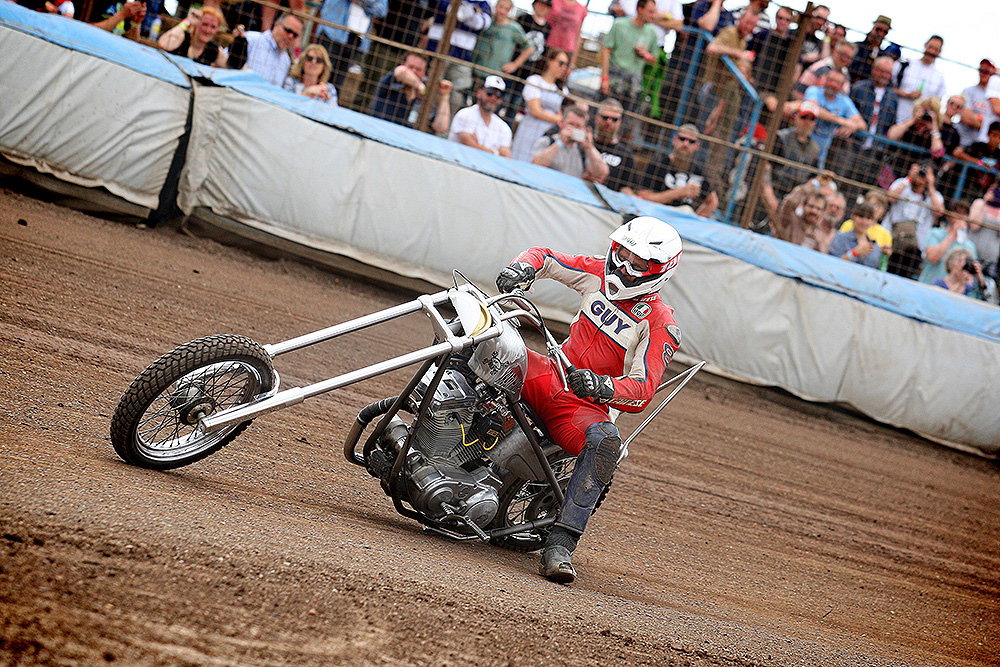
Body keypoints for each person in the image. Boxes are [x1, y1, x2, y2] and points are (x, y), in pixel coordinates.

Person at [494, 216, 683, 584]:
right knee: (489, 342)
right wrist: (521, 268)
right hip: (550, 373)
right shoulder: (596, 271)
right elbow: (545, 256)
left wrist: (601, 386)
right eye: (623, 254)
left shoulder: (660, 322)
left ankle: (560, 546)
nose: (625, 267)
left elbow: (644, 389)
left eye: (639, 263)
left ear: (659, 270)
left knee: (606, 443)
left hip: (584, 406)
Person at [599, 0, 658, 137]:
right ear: (639, 9)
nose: (654, 16)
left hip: (633, 87)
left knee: (625, 124)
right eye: (650, 12)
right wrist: (604, 78)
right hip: (614, 80)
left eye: (654, 12)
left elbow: (654, 59)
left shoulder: (651, 33)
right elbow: (606, 50)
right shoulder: (620, 25)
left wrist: (645, 54)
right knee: (604, 116)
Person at [635, 124, 718, 218]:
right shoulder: (658, 164)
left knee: (688, 210)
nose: (686, 144)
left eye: (691, 141)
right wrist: (678, 193)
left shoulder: (698, 172)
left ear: (697, 145)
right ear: (674, 140)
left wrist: (696, 220)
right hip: (657, 215)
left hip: (683, 220)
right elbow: (643, 197)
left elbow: (712, 201)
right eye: (682, 139)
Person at [426, 0, 493, 111]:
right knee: (432, 87)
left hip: (462, 56)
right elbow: (454, 13)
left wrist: (462, 11)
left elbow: (482, 24)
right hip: (437, 50)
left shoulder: (484, 3)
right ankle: (424, 120)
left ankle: (445, 125)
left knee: (457, 93)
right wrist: (473, 11)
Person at [792, 69, 865, 169]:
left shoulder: (844, 101)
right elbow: (813, 108)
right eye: (831, 80)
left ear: (842, 85)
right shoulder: (814, 91)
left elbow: (862, 124)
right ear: (825, 79)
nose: (833, 85)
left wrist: (852, 126)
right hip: (800, 146)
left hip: (821, 155)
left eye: (838, 83)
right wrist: (842, 121)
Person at [369, 51, 452, 134]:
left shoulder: (428, 95)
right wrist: (421, 87)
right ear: (403, 65)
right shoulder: (392, 81)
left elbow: (441, 127)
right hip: (379, 131)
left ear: (424, 73)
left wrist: (445, 96)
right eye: (411, 67)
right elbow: (401, 72)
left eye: (418, 69)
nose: (414, 71)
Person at [314, 0, 388, 91]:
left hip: (356, 38)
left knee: (337, 84)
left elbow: (382, 10)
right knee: (320, 76)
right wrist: (370, 3)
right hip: (333, 31)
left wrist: (362, 3)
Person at [511, 49, 569, 162]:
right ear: (550, 61)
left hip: (548, 133)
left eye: (566, 65)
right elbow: (535, 111)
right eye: (561, 63)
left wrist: (554, 118)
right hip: (529, 129)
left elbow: (564, 115)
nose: (563, 68)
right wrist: (557, 118)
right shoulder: (534, 80)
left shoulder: (563, 89)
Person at [470, 0, 532, 97]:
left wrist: (515, 64)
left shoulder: (513, 28)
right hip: (476, 70)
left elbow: (529, 47)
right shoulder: (487, 22)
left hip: (496, 74)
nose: (502, 11)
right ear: (496, 6)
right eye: (500, 7)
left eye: (506, 9)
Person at [530, 107, 609, 181]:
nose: (574, 129)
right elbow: (536, 164)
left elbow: (601, 173)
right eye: (571, 124)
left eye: (578, 126)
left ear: (584, 128)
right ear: (561, 123)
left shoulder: (583, 149)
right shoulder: (547, 141)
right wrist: (560, 142)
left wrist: (590, 148)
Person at [767, 103, 820, 202]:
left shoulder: (815, 148)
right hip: (776, 189)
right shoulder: (781, 137)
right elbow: (766, 166)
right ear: (796, 117)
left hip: (796, 197)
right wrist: (769, 196)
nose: (807, 122)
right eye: (803, 117)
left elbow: (812, 177)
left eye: (811, 119)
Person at [448, 76, 512, 156]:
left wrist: (479, 147)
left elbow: (506, 155)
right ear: (479, 93)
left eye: (498, 95)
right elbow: (469, 144)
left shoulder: (503, 127)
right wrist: (495, 152)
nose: (493, 98)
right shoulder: (465, 114)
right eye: (490, 92)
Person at [918, 201, 978, 284]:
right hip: (929, 285)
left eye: (965, 214)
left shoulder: (969, 246)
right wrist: (953, 233)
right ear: (949, 216)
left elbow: (970, 275)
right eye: (958, 213)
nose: (961, 217)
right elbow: (932, 258)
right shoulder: (935, 233)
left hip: (952, 292)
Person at [747, 5, 793, 114]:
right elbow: (748, 55)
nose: (783, 22)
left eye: (787, 19)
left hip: (781, 88)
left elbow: (797, 67)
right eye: (780, 18)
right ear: (776, 18)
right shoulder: (762, 35)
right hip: (761, 86)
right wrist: (750, 75)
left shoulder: (792, 44)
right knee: (775, 106)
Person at [893, 35, 946, 124]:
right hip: (895, 116)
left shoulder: (939, 77)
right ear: (925, 46)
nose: (932, 51)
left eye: (936, 49)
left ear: (939, 52)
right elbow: (888, 88)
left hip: (919, 125)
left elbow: (937, 103)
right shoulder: (905, 64)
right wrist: (907, 95)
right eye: (930, 47)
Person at [239, 12, 302, 87]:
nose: (290, 36)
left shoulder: (286, 60)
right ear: (276, 25)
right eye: (288, 30)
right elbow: (226, 64)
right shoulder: (250, 39)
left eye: (295, 35)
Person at [158, 7, 229, 68]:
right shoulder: (183, 37)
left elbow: (229, 68)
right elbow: (163, 44)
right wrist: (187, 21)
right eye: (205, 24)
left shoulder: (214, 49)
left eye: (213, 27)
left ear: (217, 29)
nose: (208, 30)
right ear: (197, 23)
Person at [593, 99, 637, 192]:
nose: (609, 122)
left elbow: (626, 188)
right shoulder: (585, 144)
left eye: (614, 119)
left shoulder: (626, 154)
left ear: (619, 122)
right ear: (597, 118)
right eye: (605, 117)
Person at [828, 202, 884, 268]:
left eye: (868, 218)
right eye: (861, 217)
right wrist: (854, 253)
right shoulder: (841, 237)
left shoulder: (876, 247)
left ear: (872, 221)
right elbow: (831, 263)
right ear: (853, 217)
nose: (864, 222)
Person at [958, 59, 998, 148]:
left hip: (985, 147)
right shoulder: (968, 91)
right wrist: (987, 125)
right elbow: (967, 118)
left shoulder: (996, 97)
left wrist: (977, 119)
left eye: (987, 71)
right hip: (964, 142)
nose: (983, 74)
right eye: (981, 70)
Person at [969, 181, 1000, 282]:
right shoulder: (979, 203)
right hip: (972, 255)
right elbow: (974, 226)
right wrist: (985, 202)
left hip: (991, 261)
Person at [848, 15, 891, 84]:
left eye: (885, 32)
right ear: (873, 28)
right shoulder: (856, 46)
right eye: (878, 29)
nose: (881, 34)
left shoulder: (883, 56)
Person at [547, 0, 587, 68]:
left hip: (567, 51)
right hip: (550, 48)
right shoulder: (554, 2)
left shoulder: (581, 9)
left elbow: (578, 34)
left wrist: (572, 62)